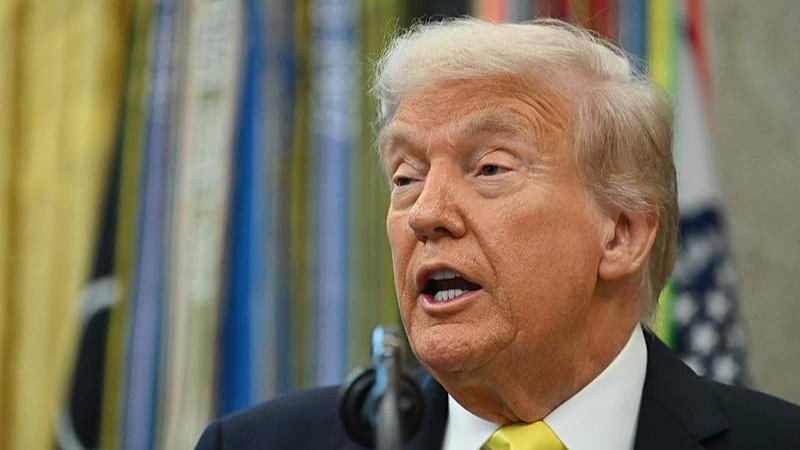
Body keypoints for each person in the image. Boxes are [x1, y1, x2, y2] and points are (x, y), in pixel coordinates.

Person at [194, 18, 800, 450]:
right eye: (404, 176)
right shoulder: (255, 443)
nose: (425, 213)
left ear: (621, 233)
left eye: (488, 169)